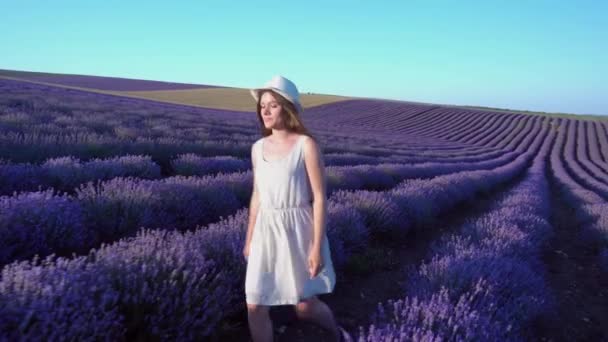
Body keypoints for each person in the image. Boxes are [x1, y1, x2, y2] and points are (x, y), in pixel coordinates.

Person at [242, 75, 349, 342]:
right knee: (255, 304)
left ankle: (337, 335)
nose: (265, 110)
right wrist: (249, 239)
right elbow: (257, 195)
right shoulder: (257, 148)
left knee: (304, 305)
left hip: (298, 229)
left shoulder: (306, 145)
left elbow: (320, 198)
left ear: (287, 109)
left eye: (273, 105)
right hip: (266, 230)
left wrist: (315, 248)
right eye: (262, 105)